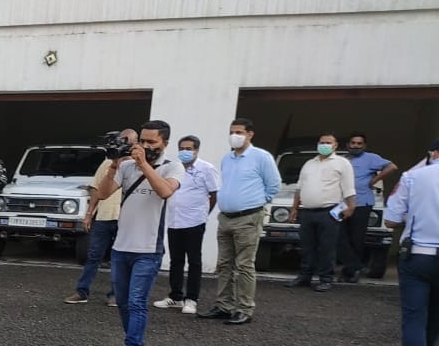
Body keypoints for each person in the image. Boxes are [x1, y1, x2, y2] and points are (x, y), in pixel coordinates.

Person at [93, 121, 184, 346]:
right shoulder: (127, 166)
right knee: (122, 302)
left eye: (152, 142)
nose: (145, 146)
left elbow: (165, 191)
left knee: (137, 303)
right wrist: (113, 164)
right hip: (121, 247)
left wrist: (144, 164)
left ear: (165, 143)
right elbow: (103, 193)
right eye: (141, 141)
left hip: (148, 249)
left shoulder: (172, 166)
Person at [199, 118, 280, 325]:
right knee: (224, 264)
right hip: (226, 217)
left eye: (239, 132)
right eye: (232, 131)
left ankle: (244, 308)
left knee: (244, 265)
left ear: (250, 134)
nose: (234, 135)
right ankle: (224, 305)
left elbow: (273, 185)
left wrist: (258, 204)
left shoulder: (261, 157)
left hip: (248, 217)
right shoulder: (227, 159)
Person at [384, 161, 439, 346]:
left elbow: (391, 221)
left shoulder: (414, 177)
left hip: (419, 256)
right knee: (434, 320)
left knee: (415, 320)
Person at [67, 128, 137, 306]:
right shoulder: (107, 163)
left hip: (125, 218)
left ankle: (115, 295)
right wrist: (89, 214)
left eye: (128, 141)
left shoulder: (138, 165)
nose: (124, 143)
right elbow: (95, 189)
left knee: (118, 259)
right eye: (122, 140)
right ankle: (81, 291)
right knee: (93, 256)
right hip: (105, 216)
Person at [151, 135, 219, 314]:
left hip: (195, 220)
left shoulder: (206, 169)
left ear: (196, 150)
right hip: (174, 220)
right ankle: (175, 297)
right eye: (182, 148)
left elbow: (213, 194)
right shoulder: (175, 167)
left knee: (194, 261)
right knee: (176, 260)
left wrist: (204, 214)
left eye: (189, 149)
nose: (185, 152)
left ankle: (192, 299)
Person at [285, 133, 355, 292]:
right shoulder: (309, 164)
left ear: (335, 145)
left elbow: (349, 188)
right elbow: (299, 188)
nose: (324, 145)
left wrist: (351, 207)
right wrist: (294, 208)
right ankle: (304, 276)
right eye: (322, 142)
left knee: (327, 247)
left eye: (328, 142)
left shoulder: (342, 163)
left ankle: (325, 279)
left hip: (330, 212)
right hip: (307, 212)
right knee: (307, 246)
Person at [339, 132, 397, 283]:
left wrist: (375, 179)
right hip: (342, 205)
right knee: (340, 237)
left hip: (362, 203)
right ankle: (355, 266)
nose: (356, 146)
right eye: (353, 143)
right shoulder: (343, 160)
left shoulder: (371, 158)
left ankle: (350, 273)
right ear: (348, 145)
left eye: (359, 143)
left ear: (364, 145)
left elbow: (392, 167)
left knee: (357, 238)